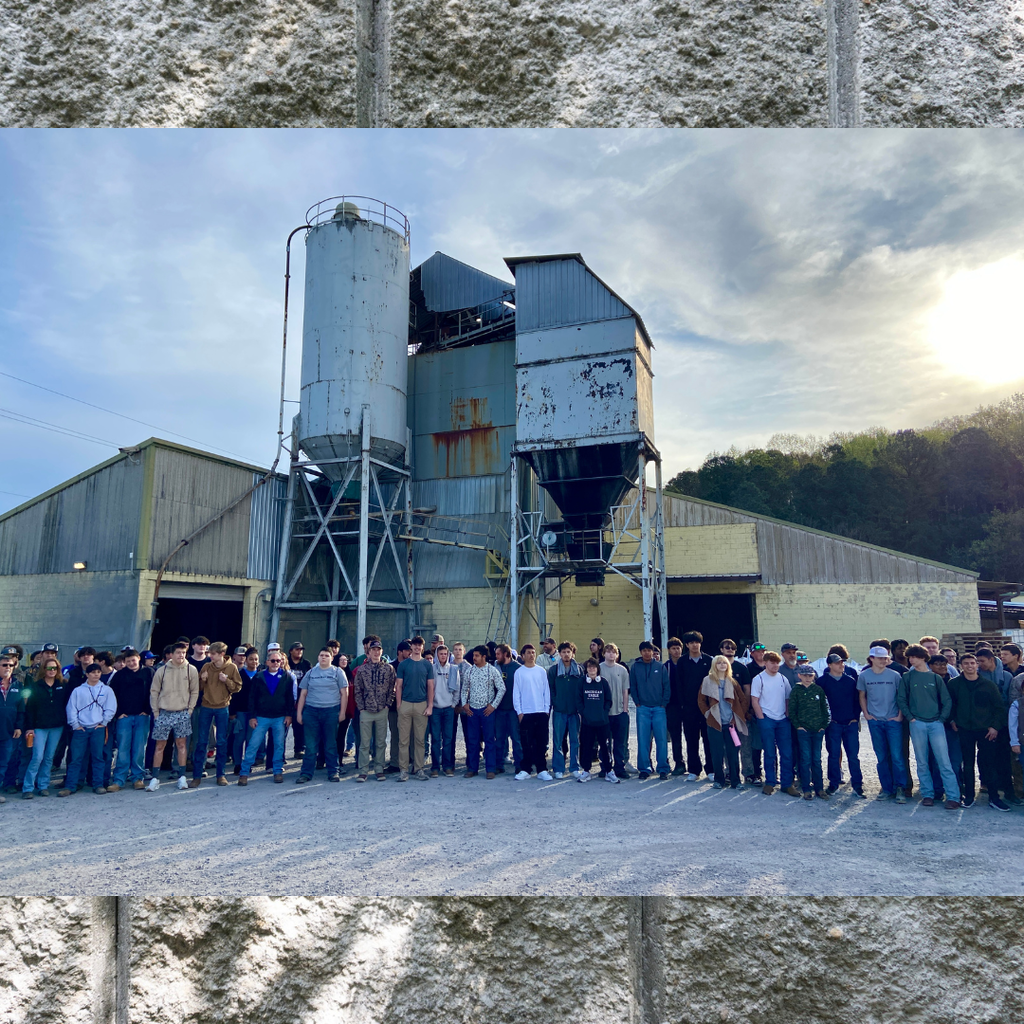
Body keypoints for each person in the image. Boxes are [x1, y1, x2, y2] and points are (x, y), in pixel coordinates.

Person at [896, 644, 960, 809]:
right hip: (917, 724)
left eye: (914, 657)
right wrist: (910, 718)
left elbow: (946, 701)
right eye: (909, 657)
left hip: (936, 724)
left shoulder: (935, 678)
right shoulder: (907, 677)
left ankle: (953, 796)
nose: (911, 660)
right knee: (922, 761)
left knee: (944, 761)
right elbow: (901, 699)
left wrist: (941, 719)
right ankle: (927, 794)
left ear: (923, 658)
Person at [948, 653, 1010, 811]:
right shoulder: (954, 684)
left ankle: (994, 798)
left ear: (977, 665)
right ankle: (969, 796)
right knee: (967, 764)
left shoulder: (988, 685)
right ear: (961, 666)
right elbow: (950, 704)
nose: (970, 666)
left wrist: (995, 726)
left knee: (989, 764)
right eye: (966, 663)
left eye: (972, 663)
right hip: (964, 729)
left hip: (986, 730)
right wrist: (953, 720)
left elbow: (999, 708)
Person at [189, 642, 243, 788]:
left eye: (212, 654)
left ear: (221, 654)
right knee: (201, 741)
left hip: (222, 707)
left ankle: (221, 775)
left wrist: (227, 681)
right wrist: (203, 679)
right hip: (206, 706)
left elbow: (237, 687)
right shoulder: (206, 667)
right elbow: (198, 688)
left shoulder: (231, 668)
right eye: (209, 653)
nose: (209, 656)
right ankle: (197, 775)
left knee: (221, 742)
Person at [857, 646, 908, 803]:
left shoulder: (895, 675)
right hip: (875, 722)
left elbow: (901, 696)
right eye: (880, 658)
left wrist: (899, 716)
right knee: (881, 757)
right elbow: (862, 695)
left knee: (898, 756)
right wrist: (866, 714)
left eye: (885, 658)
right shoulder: (864, 676)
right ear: (871, 658)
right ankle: (886, 789)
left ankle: (900, 789)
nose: (883, 661)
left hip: (893, 721)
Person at [58, 663, 117, 796]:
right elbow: (71, 708)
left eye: (98, 672)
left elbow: (111, 707)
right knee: (76, 758)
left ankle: (98, 784)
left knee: (98, 757)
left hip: (98, 728)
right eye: (93, 672)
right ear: (87, 674)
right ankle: (71, 785)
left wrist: (104, 722)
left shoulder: (107, 690)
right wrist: (75, 725)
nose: (96, 674)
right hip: (81, 729)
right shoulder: (78, 690)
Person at [238, 648, 295, 785]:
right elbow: (252, 698)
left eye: (279, 661)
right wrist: (252, 716)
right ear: (267, 662)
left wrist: (289, 715)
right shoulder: (259, 677)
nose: (276, 663)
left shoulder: (287, 676)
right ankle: (244, 772)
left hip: (280, 717)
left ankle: (277, 771)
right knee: (253, 745)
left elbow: (289, 698)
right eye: (273, 660)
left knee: (279, 745)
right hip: (261, 717)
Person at [149, 642, 200, 790]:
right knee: (160, 746)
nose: (181, 655)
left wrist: (189, 710)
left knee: (182, 745)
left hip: (182, 712)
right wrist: (156, 713)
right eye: (178, 652)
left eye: (183, 653)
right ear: (171, 654)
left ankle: (182, 776)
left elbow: (194, 691)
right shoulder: (162, 671)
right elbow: (154, 692)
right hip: (164, 712)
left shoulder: (191, 670)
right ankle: (155, 778)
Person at [295, 647, 347, 784]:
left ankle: (333, 772)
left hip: (331, 711)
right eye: (321, 655)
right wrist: (299, 713)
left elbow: (344, 694)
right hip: (311, 712)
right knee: (311, 746)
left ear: (331, 658)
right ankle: (306, 773)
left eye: (326, 655)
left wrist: (342, 712)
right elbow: (303, 694)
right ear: (318, 657)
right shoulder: (311, 673)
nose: (323, 657)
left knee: (330, 744)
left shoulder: (338, 672)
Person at [750, 651, 798, 797]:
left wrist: (787, 715)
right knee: (770, 752)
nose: (775, 665)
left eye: (777, 662)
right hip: (767, 719)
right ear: (765, 663)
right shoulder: (759, 679)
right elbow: (754, 700)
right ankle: (770, 782)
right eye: (772, 662)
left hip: (782, 720)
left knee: (787, 753)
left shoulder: (783, 679)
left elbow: (788, 699)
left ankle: (786, 784)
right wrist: (761, 718)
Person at [697, 654, 747, 791]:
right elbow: (701, 700)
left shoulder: (732, 681)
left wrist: (737, 716)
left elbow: (743, 700)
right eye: (719, 663)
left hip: (731, 724)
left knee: (733, 753)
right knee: (717, 753)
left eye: (724, 663)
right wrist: (708, 714)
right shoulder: (707, 680)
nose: (722, 665)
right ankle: (719, 780)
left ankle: (736, 781)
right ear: (714, 665)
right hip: (715, 723)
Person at [20, 656, 69, 798]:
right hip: (39, 727)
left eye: (54, 668)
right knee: (37, 757)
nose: (52, 670)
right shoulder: (36, 686)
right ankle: (28, 787)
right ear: (44, 669)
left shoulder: (63, 684)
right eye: (49, 668)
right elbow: (30, 708)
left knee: (49, 757)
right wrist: (29, 727)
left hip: (56, 726)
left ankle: (43, 785)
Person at [818, 653, 865, 797]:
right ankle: (833, 783)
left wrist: (855, 718)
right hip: (833, 724)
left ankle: (857, 785)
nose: (841, 665)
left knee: (853, 755)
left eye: (842, 662)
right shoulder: (822, 682)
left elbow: (857, 701)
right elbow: (819, 704)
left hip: (850, 724)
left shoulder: (850, 681)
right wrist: (826, 720)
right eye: (837, 663)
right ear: (830, 665)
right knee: (833, 755)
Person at [107, 649, 153, 792]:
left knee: (139, 748)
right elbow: (111, 696)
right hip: (124, 718)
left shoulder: (149, 673)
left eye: (133, 660)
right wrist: (118, 713)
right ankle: (119, 779)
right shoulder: (119, 676)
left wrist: (148, 710)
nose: (131, 663)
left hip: (142, 716)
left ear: (139, 659)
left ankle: (137, 778)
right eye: (128, 661)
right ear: (124, 663)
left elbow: (155, 691)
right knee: (123, 749)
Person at [354, 640, 397, 782]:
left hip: (382, 710)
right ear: (369, 652)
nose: (376, 652)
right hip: (366, 710)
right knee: (365, 743)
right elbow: (357, 690)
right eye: (373, 649)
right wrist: (361, 707)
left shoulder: (388, 669)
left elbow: (392, 688)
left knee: (380, 742)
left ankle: (379, 768)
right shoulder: (362, 669)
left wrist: (387, 705)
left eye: (378, 649)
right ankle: (363, 770)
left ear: (382, 651)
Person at [394, 636, 434, 782]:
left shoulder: (427, 665)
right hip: (405, 703)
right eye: (415, 645)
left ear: (422, 647)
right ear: (412, 647)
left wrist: (430, 705)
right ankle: (403, 770)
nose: (417, 648)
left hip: (421, 705)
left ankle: (419, 769)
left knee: (420, 740)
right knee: (403, 740)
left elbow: (430, 686)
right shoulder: (404, 665)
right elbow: (398, 686)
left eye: (420, 645)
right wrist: (399, 704)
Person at [789, 663, 831, 800]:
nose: (808, 678)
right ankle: (806, 788)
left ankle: (819, 788)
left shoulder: (818, 690)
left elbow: (825, 708)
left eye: (810, 676)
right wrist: (798, 726)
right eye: (805, 675)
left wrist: (823, 725)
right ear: (799, 675)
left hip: (817, 730)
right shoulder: (796, 690)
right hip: (803, 731)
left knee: (816, 760)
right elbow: (792, 711)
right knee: (805, 759)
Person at [461, 645, 505, 779]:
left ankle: (490, 769)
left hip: (487, 711)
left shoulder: (492, 671)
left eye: (477, 656)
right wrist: (465, 704)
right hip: (472, 711)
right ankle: (472, 768)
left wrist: (493, 706)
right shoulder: (469, 671)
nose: (474, 658)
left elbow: (502, 688)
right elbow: (464, 690)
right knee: (472, 740)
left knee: (489, 740)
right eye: (473, 656)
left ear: (484, 657)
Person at [630, 641, 670, 781]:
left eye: (649, 650)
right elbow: (633, 686)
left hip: (659, 708)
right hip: (643, 709)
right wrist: (637, 702)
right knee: (643, 740)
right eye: (644, 650)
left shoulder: (660, 667)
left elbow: (666, 686)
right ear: (641, 652)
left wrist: (663, 704)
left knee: (661, 740)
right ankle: (644, 768)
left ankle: (663, 768)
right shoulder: (635, 667)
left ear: (653, 652)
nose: (647, 653)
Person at [513, 644, 553, 780]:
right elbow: (516, 693)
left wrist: (546, 710)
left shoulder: (541, 671)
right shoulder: (519, 672)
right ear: (522, 655)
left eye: (533, 652)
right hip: (526, 713)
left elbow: (546, 691)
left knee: (541, 743)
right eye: (528, 653)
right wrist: (519, 712)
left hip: (541, 712)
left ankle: (542, 770)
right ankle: (526, 769)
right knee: (526, 742)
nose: (531, 655)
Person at [677, 633, 713, 780]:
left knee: (708, 739)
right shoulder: (682, 662)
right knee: (691, 739)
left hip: (707, 707)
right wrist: (682, 705)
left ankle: (711, 770)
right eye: (691, 642)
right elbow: (679, 684)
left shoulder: (709, 660)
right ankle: (694, 770)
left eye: (697, 642)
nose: (694, 645)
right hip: (689, 707)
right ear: (686, 645)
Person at [575, 659, 615, 783]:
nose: (592, 670)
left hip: (602, 722)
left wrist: (604, 713)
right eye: (589, 667)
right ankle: (586, 771)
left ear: (598, 669)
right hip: (587, 722)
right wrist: (585, 713)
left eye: (594, 667)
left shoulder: (603, 682)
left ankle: (609, 771)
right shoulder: (581, 682)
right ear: (586, 669)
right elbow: (578, 701)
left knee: (605, 747)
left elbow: (608, 700)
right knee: (586, 747)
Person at [547, 642, 583, 780]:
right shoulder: (553, 670)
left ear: (573, 653)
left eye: (569, 652)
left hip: (574, 712)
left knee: (575, 740)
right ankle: (558, 768)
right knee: (557, 741)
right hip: (559, 711)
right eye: (563, 652)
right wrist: (555, 703)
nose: (566, 654)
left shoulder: (579, 670)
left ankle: (574, 767)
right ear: (559, 654)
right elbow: (551, 689)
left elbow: (581, 691)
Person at [602, 643, 631, 779]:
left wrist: (625, 709)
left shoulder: (623, 670)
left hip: (619, 712)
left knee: (620, 742)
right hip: (604, 713)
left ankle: (619, 767)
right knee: (604, 742)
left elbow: (625, 691)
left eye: (613, 652)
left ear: (617, 654)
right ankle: (605, 768)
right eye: (608, 652)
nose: (611, 654)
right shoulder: (599, 669)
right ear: (604, 654)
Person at [429, 645, 458, 777]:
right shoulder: (432, 669)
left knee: (448, 739)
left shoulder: (453, 669)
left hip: (448, 709)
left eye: (445, 654)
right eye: (440, 654)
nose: (443, 656)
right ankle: (435, 767)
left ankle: (447, 766)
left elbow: (457, 688)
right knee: (435, 739)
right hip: (435, 708)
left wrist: (453, 704)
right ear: (436, 655)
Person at [492, 644, 521, 775]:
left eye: (498, 654)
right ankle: (499, 765)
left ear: (506, 654)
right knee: (499, 739)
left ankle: (519, 765)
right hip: (499, 710)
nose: (496, 657)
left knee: (516, 738)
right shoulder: (495, 668)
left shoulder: (518, 669)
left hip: (514, 710)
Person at [664, 637, 686, 776]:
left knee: (691, 736)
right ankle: (679, 763)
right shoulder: (666, 667)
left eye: (678, 648)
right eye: (673, 648)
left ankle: (695, 765)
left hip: (688, 705)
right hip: (672, 706)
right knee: (675, 736)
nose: (676, 650)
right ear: (669, 651)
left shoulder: (687, 664)